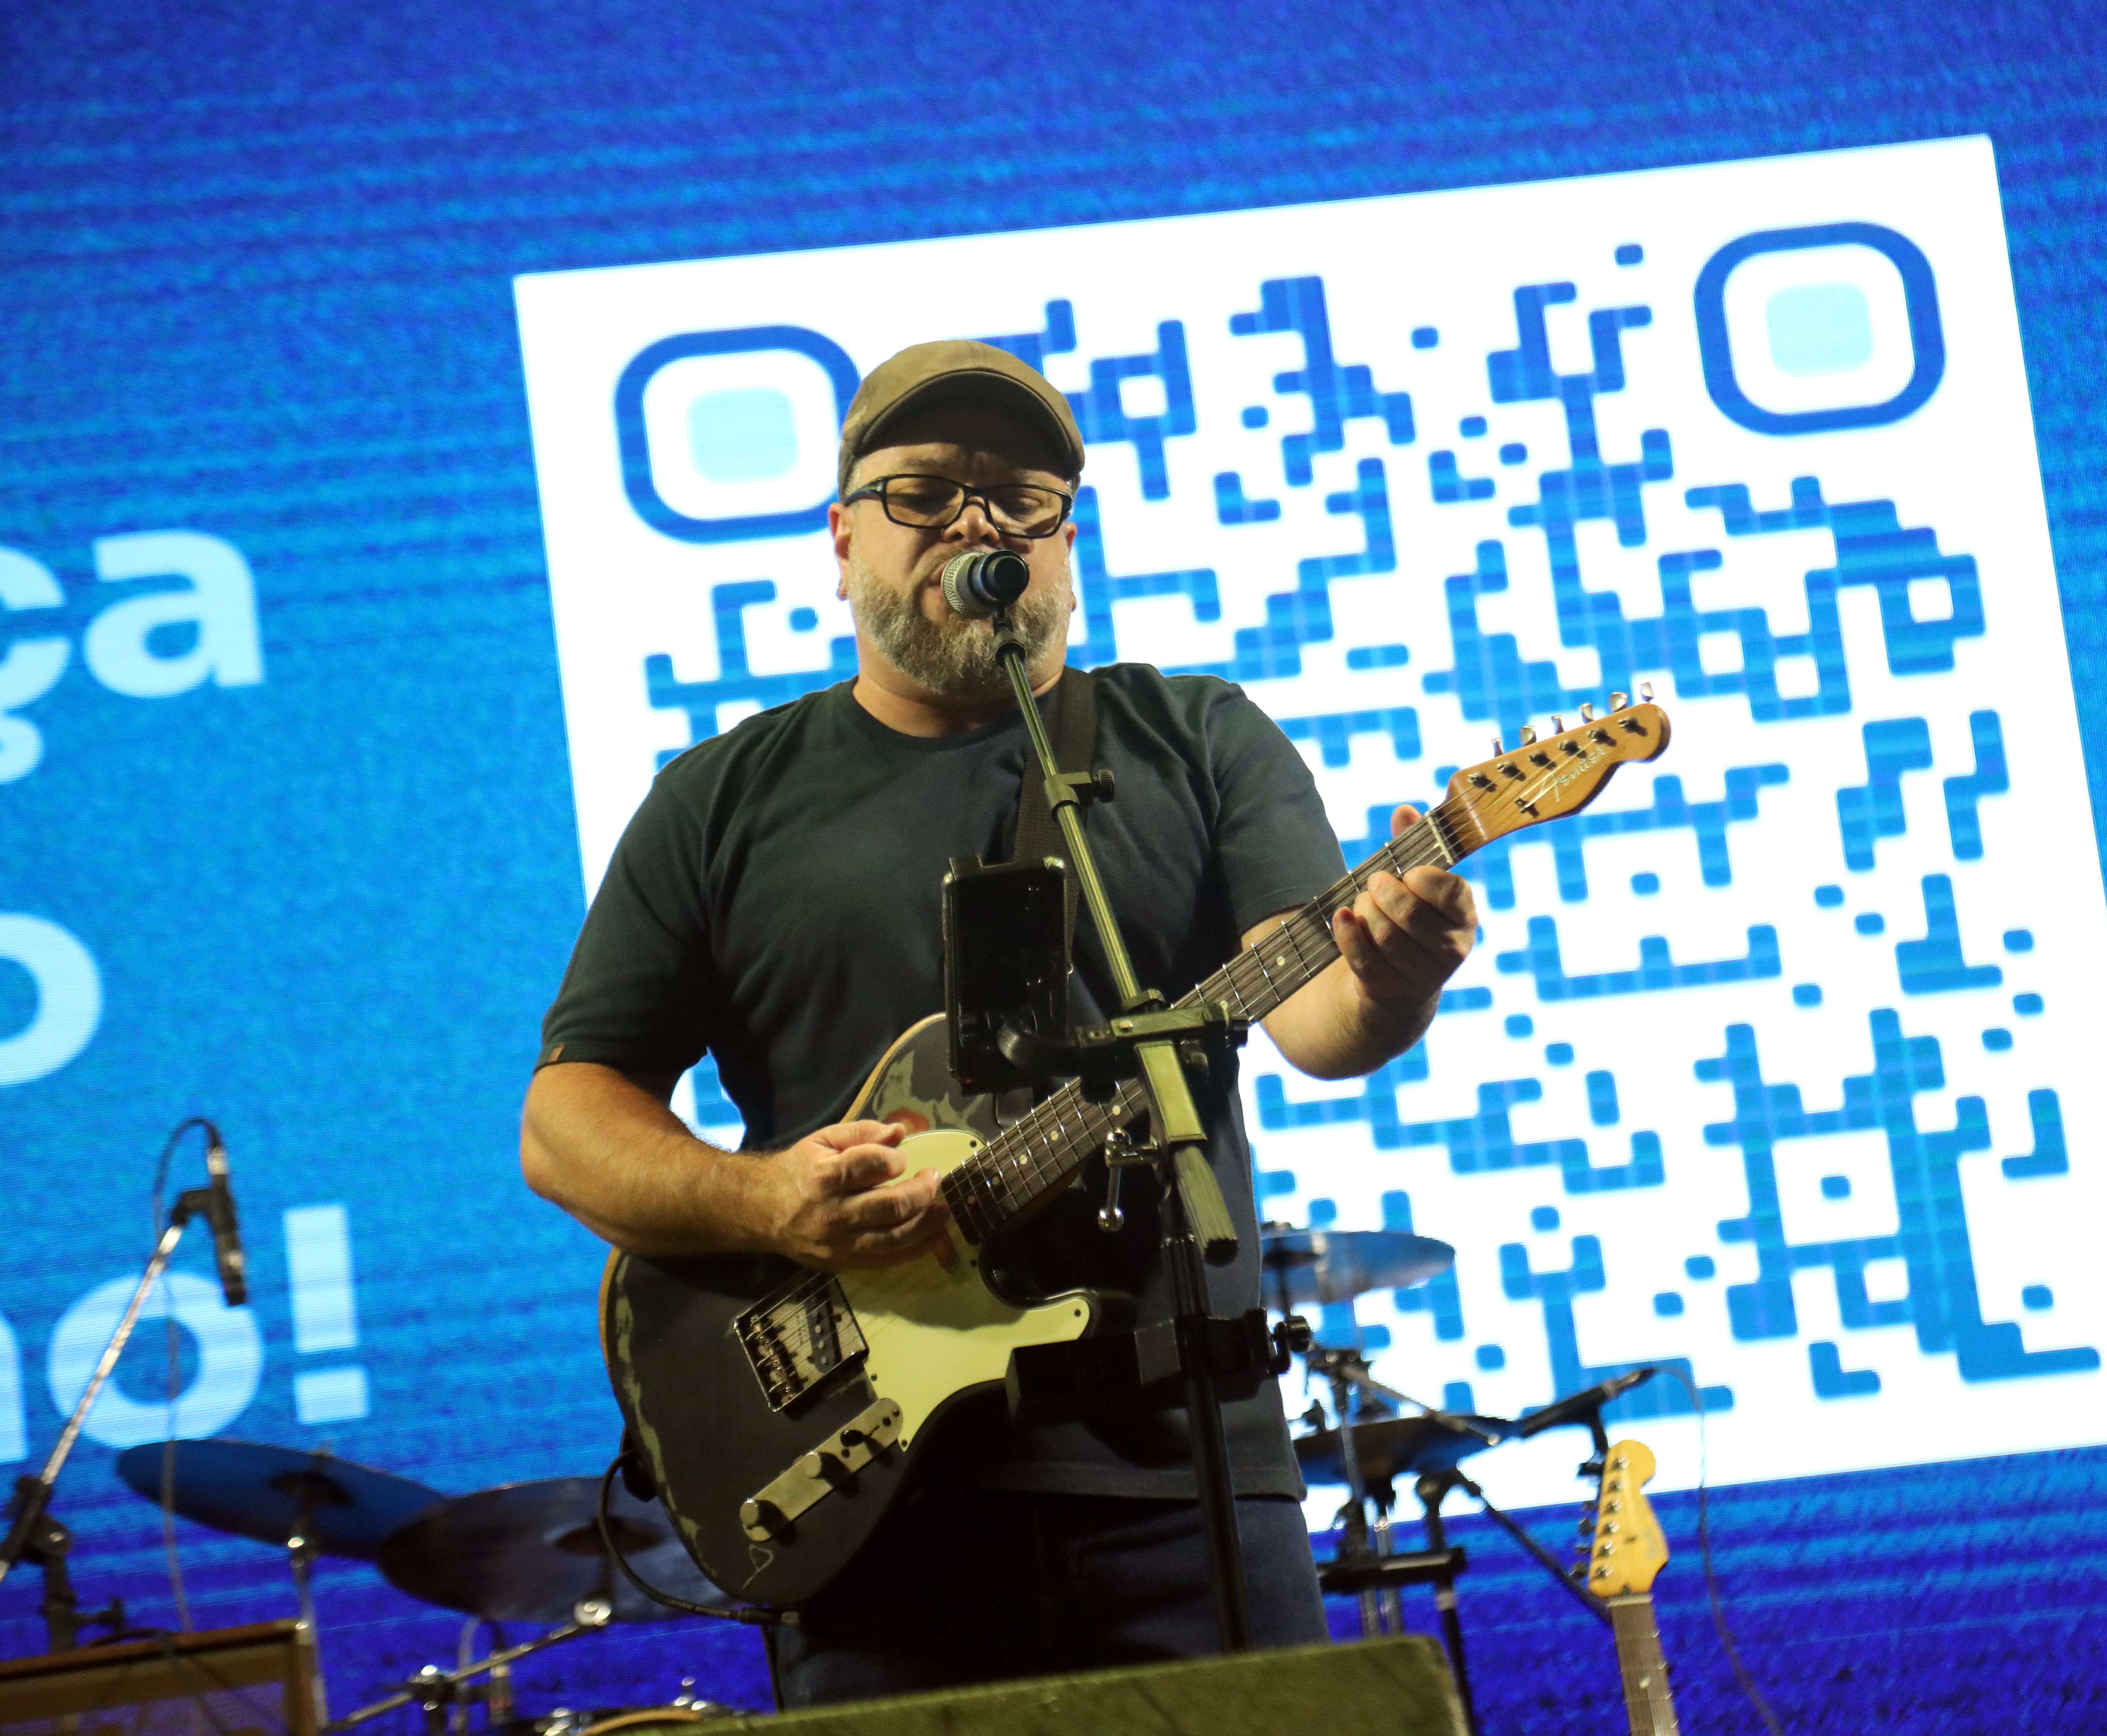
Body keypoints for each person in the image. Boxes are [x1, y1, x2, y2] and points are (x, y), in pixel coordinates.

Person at [518, 339, 1478, 1704]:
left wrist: (1394, 976)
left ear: (1065, 543)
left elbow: (1317, 1017)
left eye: (1020, 498)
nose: (977, 522)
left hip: (1188, 1471)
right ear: (841, 540)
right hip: (875, 1507)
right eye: (924, 492)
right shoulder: (718, 800)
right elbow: (564, 1125)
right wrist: (768, 1204)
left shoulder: (1195, 735)